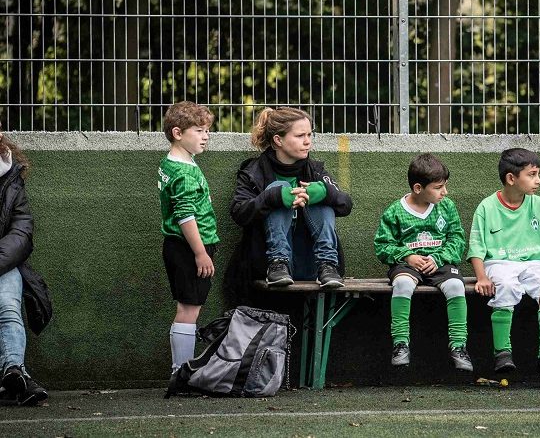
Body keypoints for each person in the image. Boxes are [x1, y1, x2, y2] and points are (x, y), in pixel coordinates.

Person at [468, 148, 540, 380]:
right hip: (499, 262)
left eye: (538, 174)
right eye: (532, 174)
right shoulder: (486, 207)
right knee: (504, 284)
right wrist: (482, 277)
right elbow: (476, 247)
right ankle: (502, 353)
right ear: (511, 178)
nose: (538, 180)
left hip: (535, 263)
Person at [230, 107, 352, 289]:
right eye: (300, 136)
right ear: (278, 140)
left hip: (311, 265)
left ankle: (328, 264)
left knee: (321, 195)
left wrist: (326, 192)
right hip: (268, 266)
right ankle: (278, 261)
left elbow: (346, 204)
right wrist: (271, 197)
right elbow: (239, 212)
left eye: (310, 135)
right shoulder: (253, 171)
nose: (307, 142)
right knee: (278, 188)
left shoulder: (315, 170)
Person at [374, 153, 472, 372]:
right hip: (407, 265)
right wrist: (407, 256)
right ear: (418, 188)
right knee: (403, 284)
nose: (444, 192)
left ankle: (458, 346)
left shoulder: (447, 207)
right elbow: (382, 245)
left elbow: (457, 239)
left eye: (445, 186)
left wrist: (438, 258)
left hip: (441, 262)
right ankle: (401, 344)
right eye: (438, 187)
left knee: (456, 285)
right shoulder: (395, 211)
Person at [158, 101, 218, 374]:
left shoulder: (173, 162)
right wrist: (200, 252)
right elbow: (185, 216)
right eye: (199, 130)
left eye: (207, 131)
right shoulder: (183, 172)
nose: (206, 136)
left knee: (188, 307)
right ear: (177, 133)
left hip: (180, 246)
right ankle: (180, 371)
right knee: (189, 309)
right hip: (189, 247)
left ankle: (180, 369)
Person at [0, 128, 49, 406]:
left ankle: (13, 371)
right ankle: (18, 379)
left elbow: (22, 232)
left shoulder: (11, 176)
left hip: (4, 261)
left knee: (7, 306)